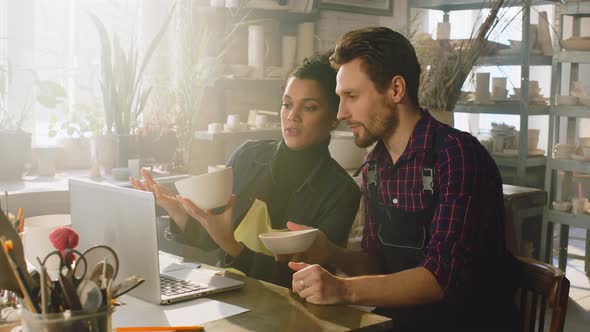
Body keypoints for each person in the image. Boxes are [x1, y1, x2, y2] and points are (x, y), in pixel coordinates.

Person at [287, 27, 517, 331]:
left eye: (352, 96)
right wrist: (329, 252)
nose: (341, 112)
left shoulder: (457, 156)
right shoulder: (374, 166)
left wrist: (343, 289)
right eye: (340, 98)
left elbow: (440, 278)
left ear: (396, 89)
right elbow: (376, 263)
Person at [131, 51, 361, 288]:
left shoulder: (341, 192)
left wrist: (233, 247)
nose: (292, 116)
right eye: (286, 104)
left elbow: (304, 282)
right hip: (226, 299)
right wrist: (178, 211)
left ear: (335, 117)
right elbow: (212, 237)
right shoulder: (248, 156)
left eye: (309, 107)